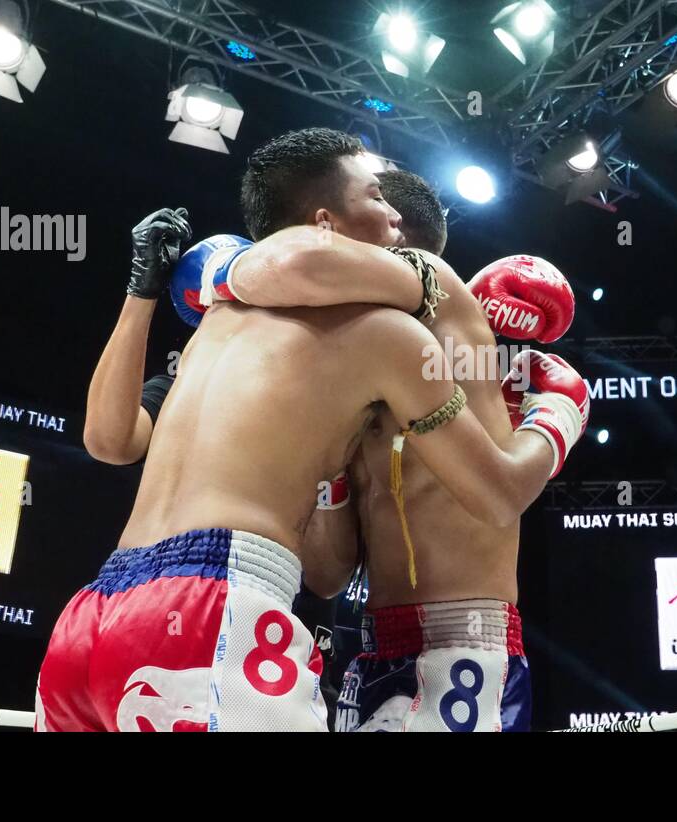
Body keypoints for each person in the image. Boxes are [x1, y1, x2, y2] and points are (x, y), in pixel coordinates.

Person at [37, 128, 588, 732]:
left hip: (96, 615)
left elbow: (326, 571)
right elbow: (498, 490)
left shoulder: (222, 321)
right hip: (216, 609)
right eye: (377, 200)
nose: (393, 222)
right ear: (329, 226)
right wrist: (559, 412)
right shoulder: (384, 332)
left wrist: (197, 271)